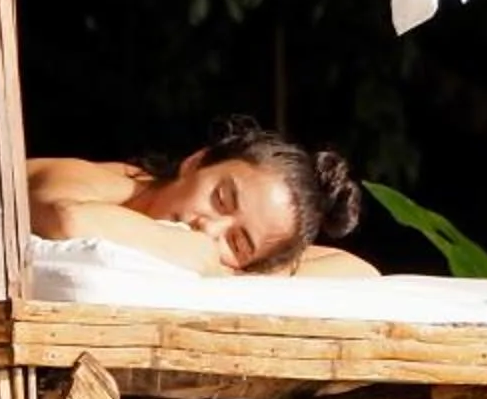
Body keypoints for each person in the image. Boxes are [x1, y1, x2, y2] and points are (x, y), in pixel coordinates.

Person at [27, 117, 375, 278]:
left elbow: (360, 272)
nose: (209, 228)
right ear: (196, 162)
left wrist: (246, 276)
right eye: (221, 199)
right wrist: (199, 253)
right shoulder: (115, 185)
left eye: (237, 242)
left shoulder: (229, 264)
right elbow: (66, 218)